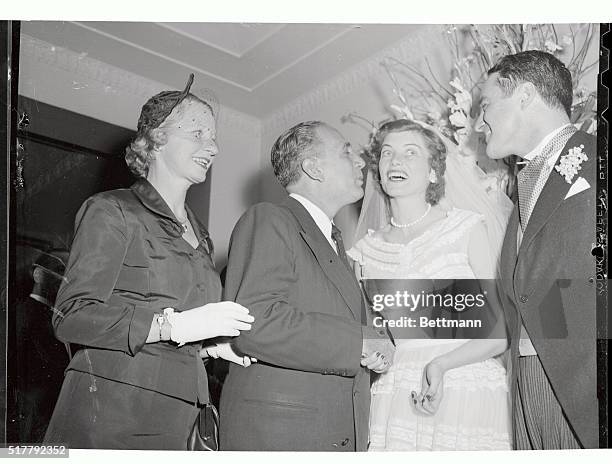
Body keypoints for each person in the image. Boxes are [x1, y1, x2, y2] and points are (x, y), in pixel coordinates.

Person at [43, 74, 254, 450]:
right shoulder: (112, 210)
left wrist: (208, 348)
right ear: (156, 139)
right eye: (198, 133)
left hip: (186, 419)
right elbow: (71, 316)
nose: (214, 147)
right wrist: (174, 325)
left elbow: (171, 339)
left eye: (214, 135)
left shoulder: (202, 235)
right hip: (113, 414)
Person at [219, 121, 392, 451]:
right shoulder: (270, 218)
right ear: (313, 168)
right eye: (346, 152)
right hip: (283, 437)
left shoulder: (334, 242)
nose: (360, 162)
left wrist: (374, 341)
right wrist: (360, 341)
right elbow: (256, 323)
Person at [348, 119, 513, 450]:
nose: (395, 162)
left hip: (465, 384)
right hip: (397, 395)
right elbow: (375, 337)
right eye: (387, 154)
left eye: (411, 153)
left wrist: (441, 365)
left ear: (434, 172)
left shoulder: (465, 230)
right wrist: (374, 353)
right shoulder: (364, 251)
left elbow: (500, 333)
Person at [481, 50, 598, 449]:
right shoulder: (523, 189)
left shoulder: (597, 160)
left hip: (587, 384)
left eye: (486, 106)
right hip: (529, 383)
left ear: (526, 95)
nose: (481, 123)